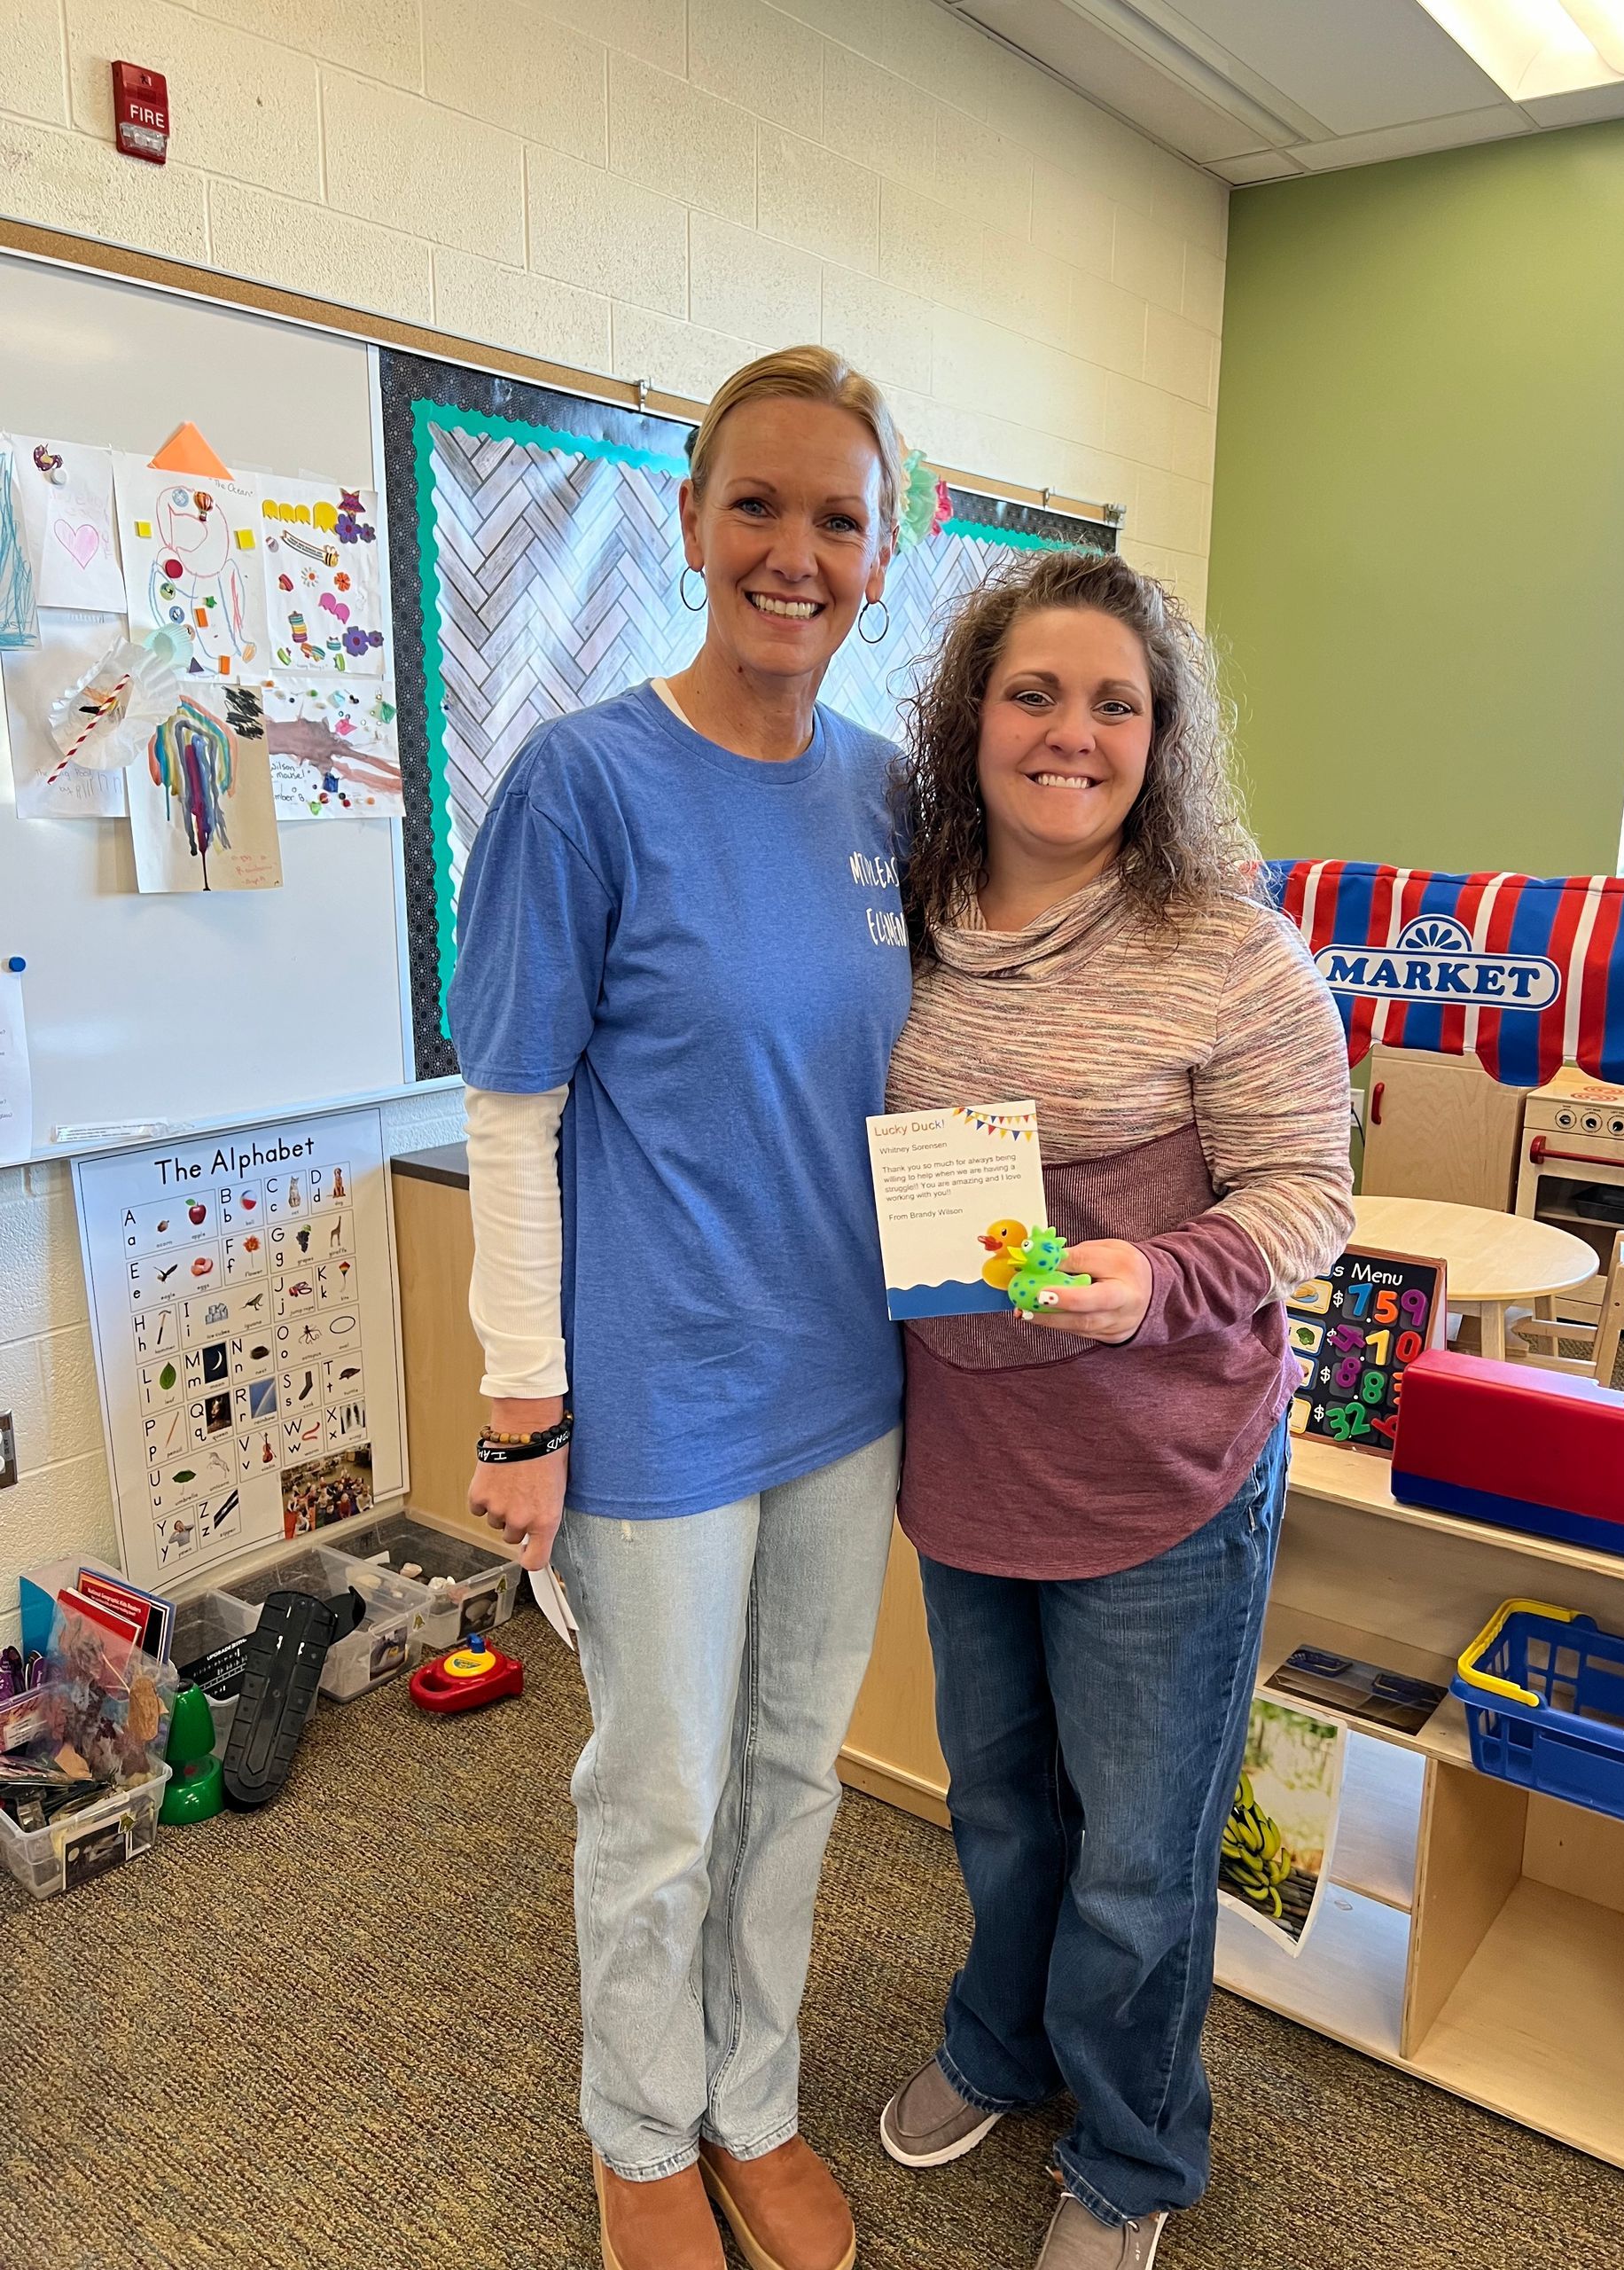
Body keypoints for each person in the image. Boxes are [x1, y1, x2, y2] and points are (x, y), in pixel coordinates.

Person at [447, 347, 911, 2270]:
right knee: (660, 1786)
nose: (792, 551)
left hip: (846, 1384)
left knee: (797, 1774)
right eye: (758, 505)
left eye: (836, 519)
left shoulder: (896, 795)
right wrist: (523, 1406)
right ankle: (640, 2125)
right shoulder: (583, 779)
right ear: (691, 515)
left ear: (891, 551)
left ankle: (752, 2094)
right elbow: (513, 1113)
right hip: (654, 1389)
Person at [874, 549, 1354, 2270]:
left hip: (1163, 1475)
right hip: (974, 1465)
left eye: (1114, 702)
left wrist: (1159, 1272)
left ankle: (1139, 2150)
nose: (1070, 731)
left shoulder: (1225, 945)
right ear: (971, 712)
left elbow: (1309, 1189)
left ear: (1160, 737)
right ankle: (1002, 2046)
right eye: (1033, 692)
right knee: (1003, 1805)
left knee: (1141, 1859)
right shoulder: (901, 911)